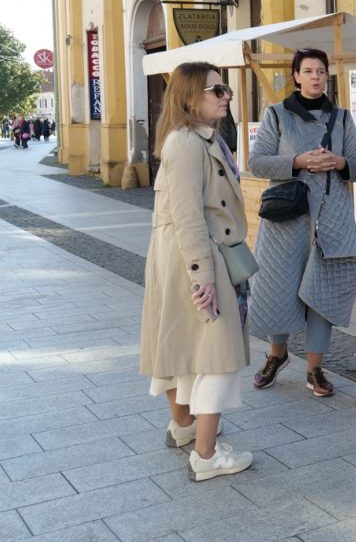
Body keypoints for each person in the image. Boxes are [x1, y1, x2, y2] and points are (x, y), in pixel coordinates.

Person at [138, 61, 253, 481]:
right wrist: (202, 275)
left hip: (188, 254)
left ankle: (185, 427)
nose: (226, 96)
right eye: (216, 90)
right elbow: (188, 216)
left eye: (226, 90)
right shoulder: (186, 143)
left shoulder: (200, 138)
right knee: (216, 353)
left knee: (181, 344)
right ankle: (205, 455)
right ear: (190, 97)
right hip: (198, 255)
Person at [249, 48, 356, 398]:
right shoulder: (276, 114)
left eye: (321, 71)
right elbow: (258, 163)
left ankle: (315, 368)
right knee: (277, 288)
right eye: (309, 71)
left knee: (323, 290)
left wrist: (339, 161)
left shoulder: (343, 118)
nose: (316, 77)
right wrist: (299, 160)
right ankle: (277, 355)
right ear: (296, 76)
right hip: (287, 218)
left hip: (331, 218)